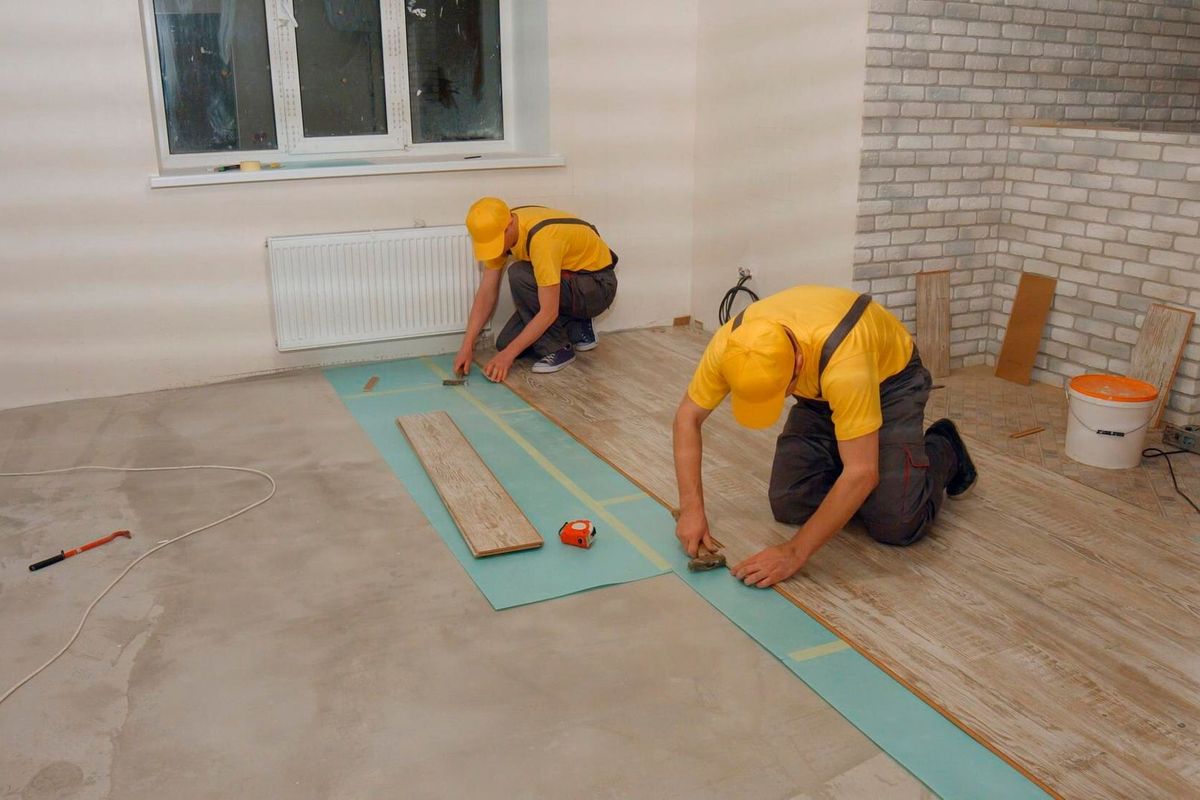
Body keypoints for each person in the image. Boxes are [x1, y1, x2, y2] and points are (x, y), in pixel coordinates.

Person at [672, 285, 977, 588]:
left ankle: (945, 446)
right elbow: (688, 417)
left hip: (889, 385)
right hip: (820, 393)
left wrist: (793, 552)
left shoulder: (847, 360)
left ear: (798, 365)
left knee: (896, 523)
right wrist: (691, 509)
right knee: (790, 502)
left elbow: (862, 472)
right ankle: (852, 447)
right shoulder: (732, 344)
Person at [454, 197, 618, 382]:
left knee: (519, 274)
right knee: (505, 344)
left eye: (495, 243)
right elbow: (486, 293)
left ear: (508, 226)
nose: (495, 250)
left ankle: (558, 348)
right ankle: (577, 325)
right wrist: (467, 345)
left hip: (597, 287)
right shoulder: (501, 225)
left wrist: (508, 357)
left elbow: (548, 311)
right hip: (569, 281)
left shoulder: (543, 240)